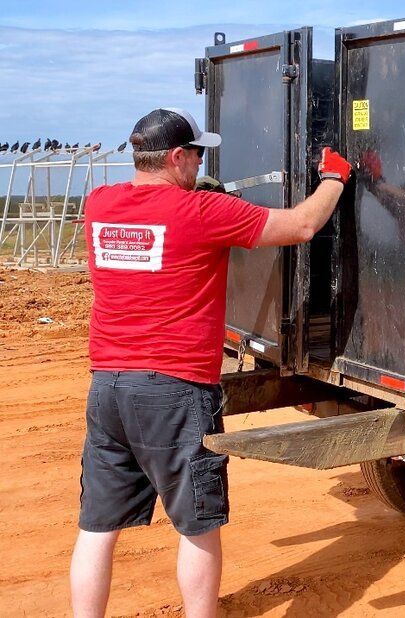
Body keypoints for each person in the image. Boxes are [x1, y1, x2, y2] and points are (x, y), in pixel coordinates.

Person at [69, 108, 351, 618]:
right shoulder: (202, 212)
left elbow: (157, 227)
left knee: (96, 527)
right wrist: (334, 177)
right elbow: (304, 225)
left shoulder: (100, 204)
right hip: (174, 391)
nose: (201, 162)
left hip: (107, 386)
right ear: (176, 157)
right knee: (198, 524)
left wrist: (201, 198)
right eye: (197, 154)